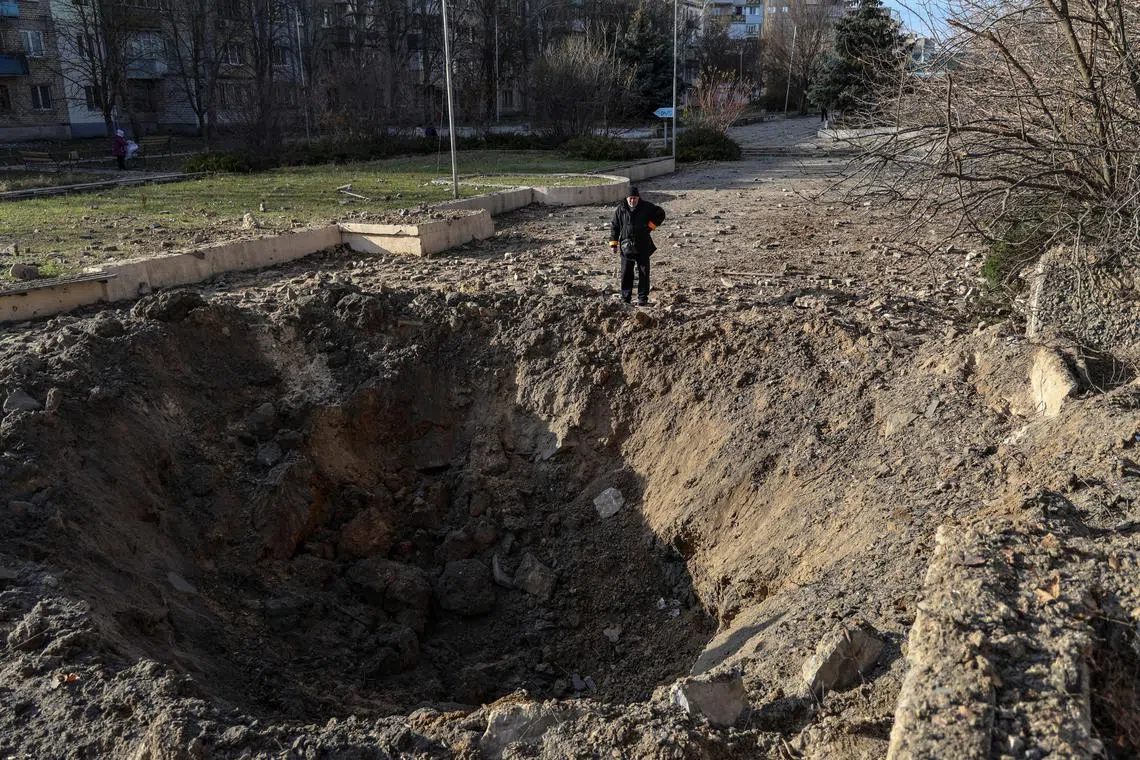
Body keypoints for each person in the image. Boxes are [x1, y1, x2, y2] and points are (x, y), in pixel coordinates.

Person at [608, 187, 666, 305]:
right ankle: (626, 298)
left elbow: (660, 213)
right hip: (626, 245)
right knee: (626, 272)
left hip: (643, 244)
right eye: (630, 199)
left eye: (634, 199)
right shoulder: (621, 209)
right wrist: (614, 243)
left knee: (644, 272)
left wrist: (651, 226)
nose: (632, 201)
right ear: (627, 198)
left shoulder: (647, 207)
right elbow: (615, 226)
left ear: (638, 198)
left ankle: (642, 298)